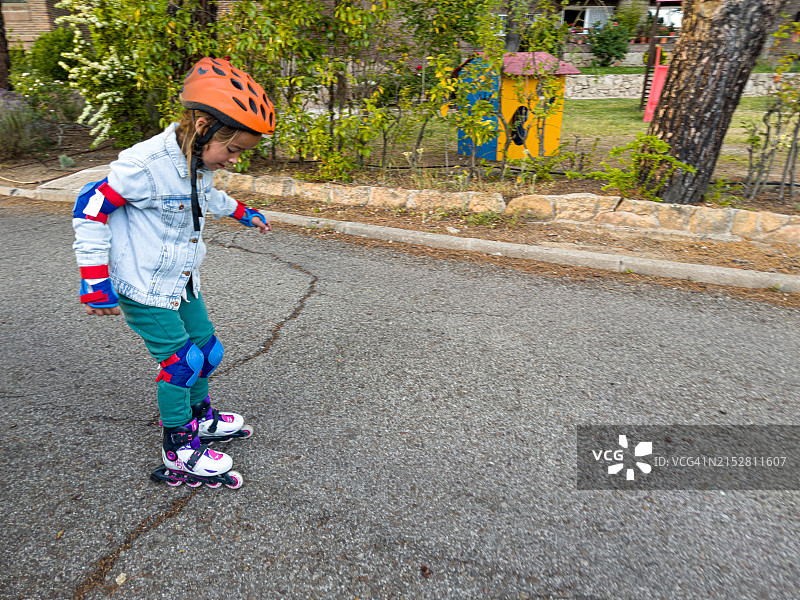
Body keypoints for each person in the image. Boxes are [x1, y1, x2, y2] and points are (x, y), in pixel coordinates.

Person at [72, 57, 275, 489]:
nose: (235, 160)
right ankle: (178, 447)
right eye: (234, 149)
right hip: (144, 286)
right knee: (181, 363)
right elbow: (91, 208)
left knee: (207, 350)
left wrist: (243, 212)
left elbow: (207, 198)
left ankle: (199, 418)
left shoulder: (197, 164)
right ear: (203, 127)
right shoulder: (144, 165)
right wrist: (94, 279)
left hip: (180, 280)